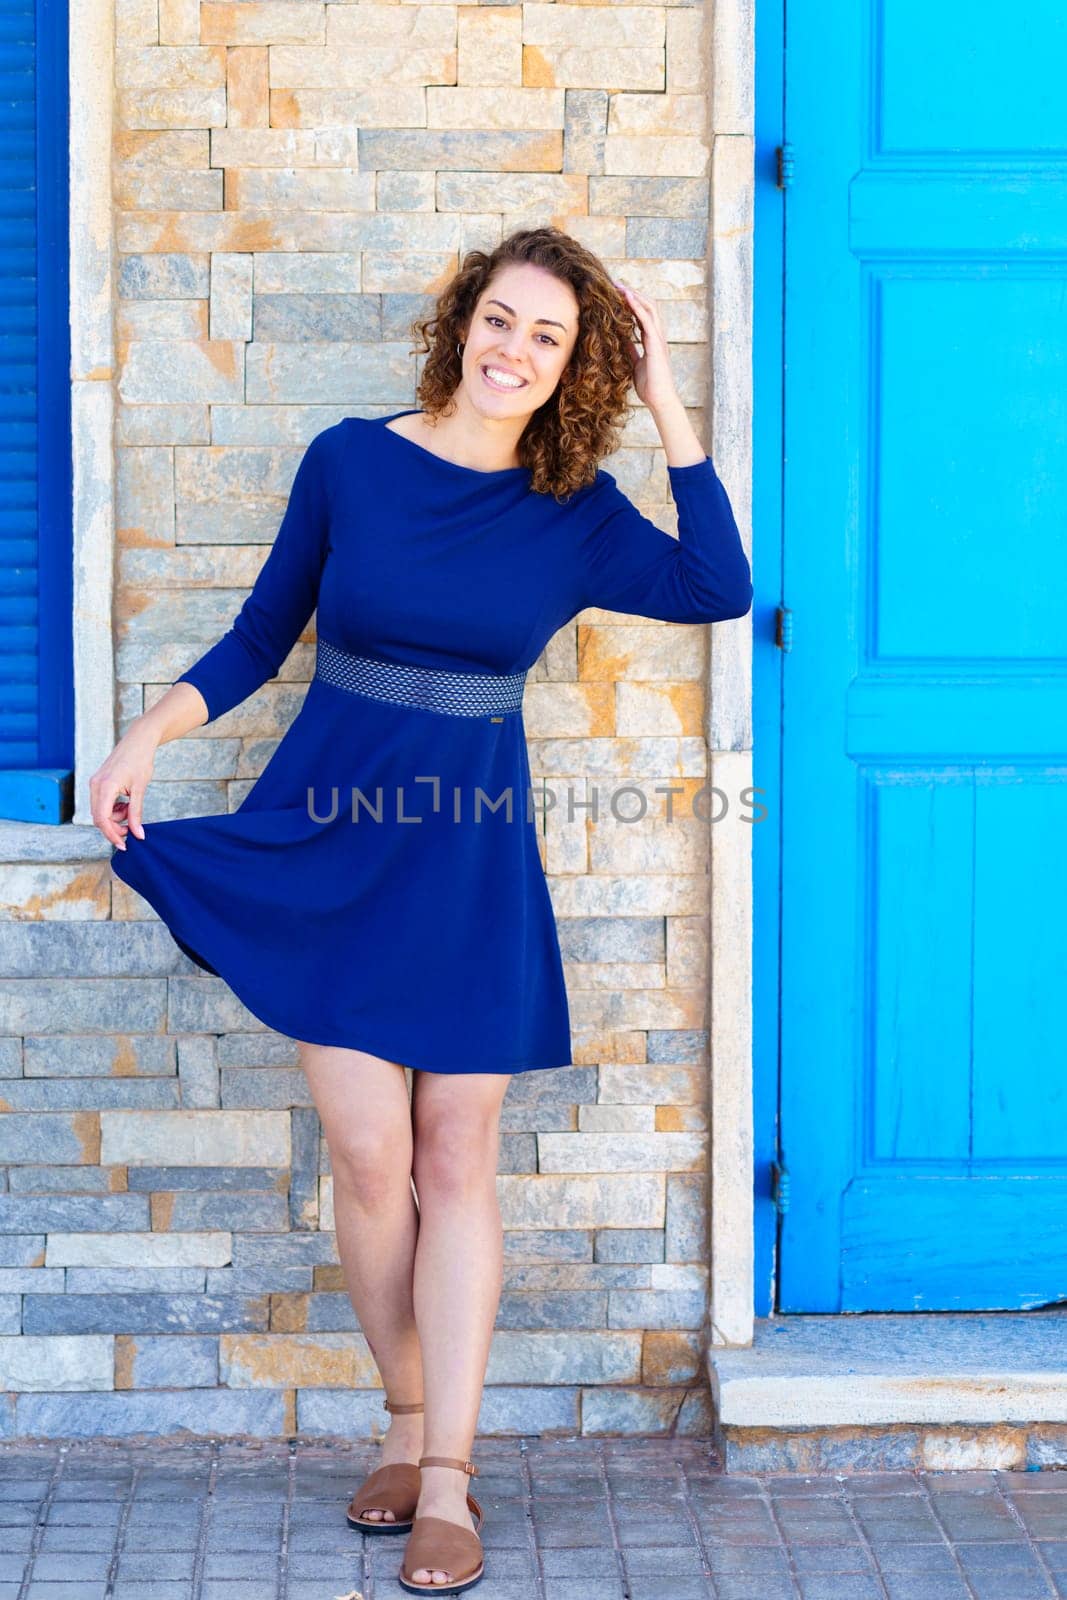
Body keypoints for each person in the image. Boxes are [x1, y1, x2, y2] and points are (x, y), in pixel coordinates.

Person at [92, 226, 753, 1594]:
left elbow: (718, 586)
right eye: (500, 320)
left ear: (580, 366)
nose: (514, 352)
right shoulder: (350, 460)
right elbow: (265, 631)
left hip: (464, 856)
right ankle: (402, 1417)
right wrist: (150, 731)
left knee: (456, 1154)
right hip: (332, 836)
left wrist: (668, 391)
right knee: (368, 1158)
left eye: (551, 338)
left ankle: (445, 1475)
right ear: (463, 321)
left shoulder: (572, 510)